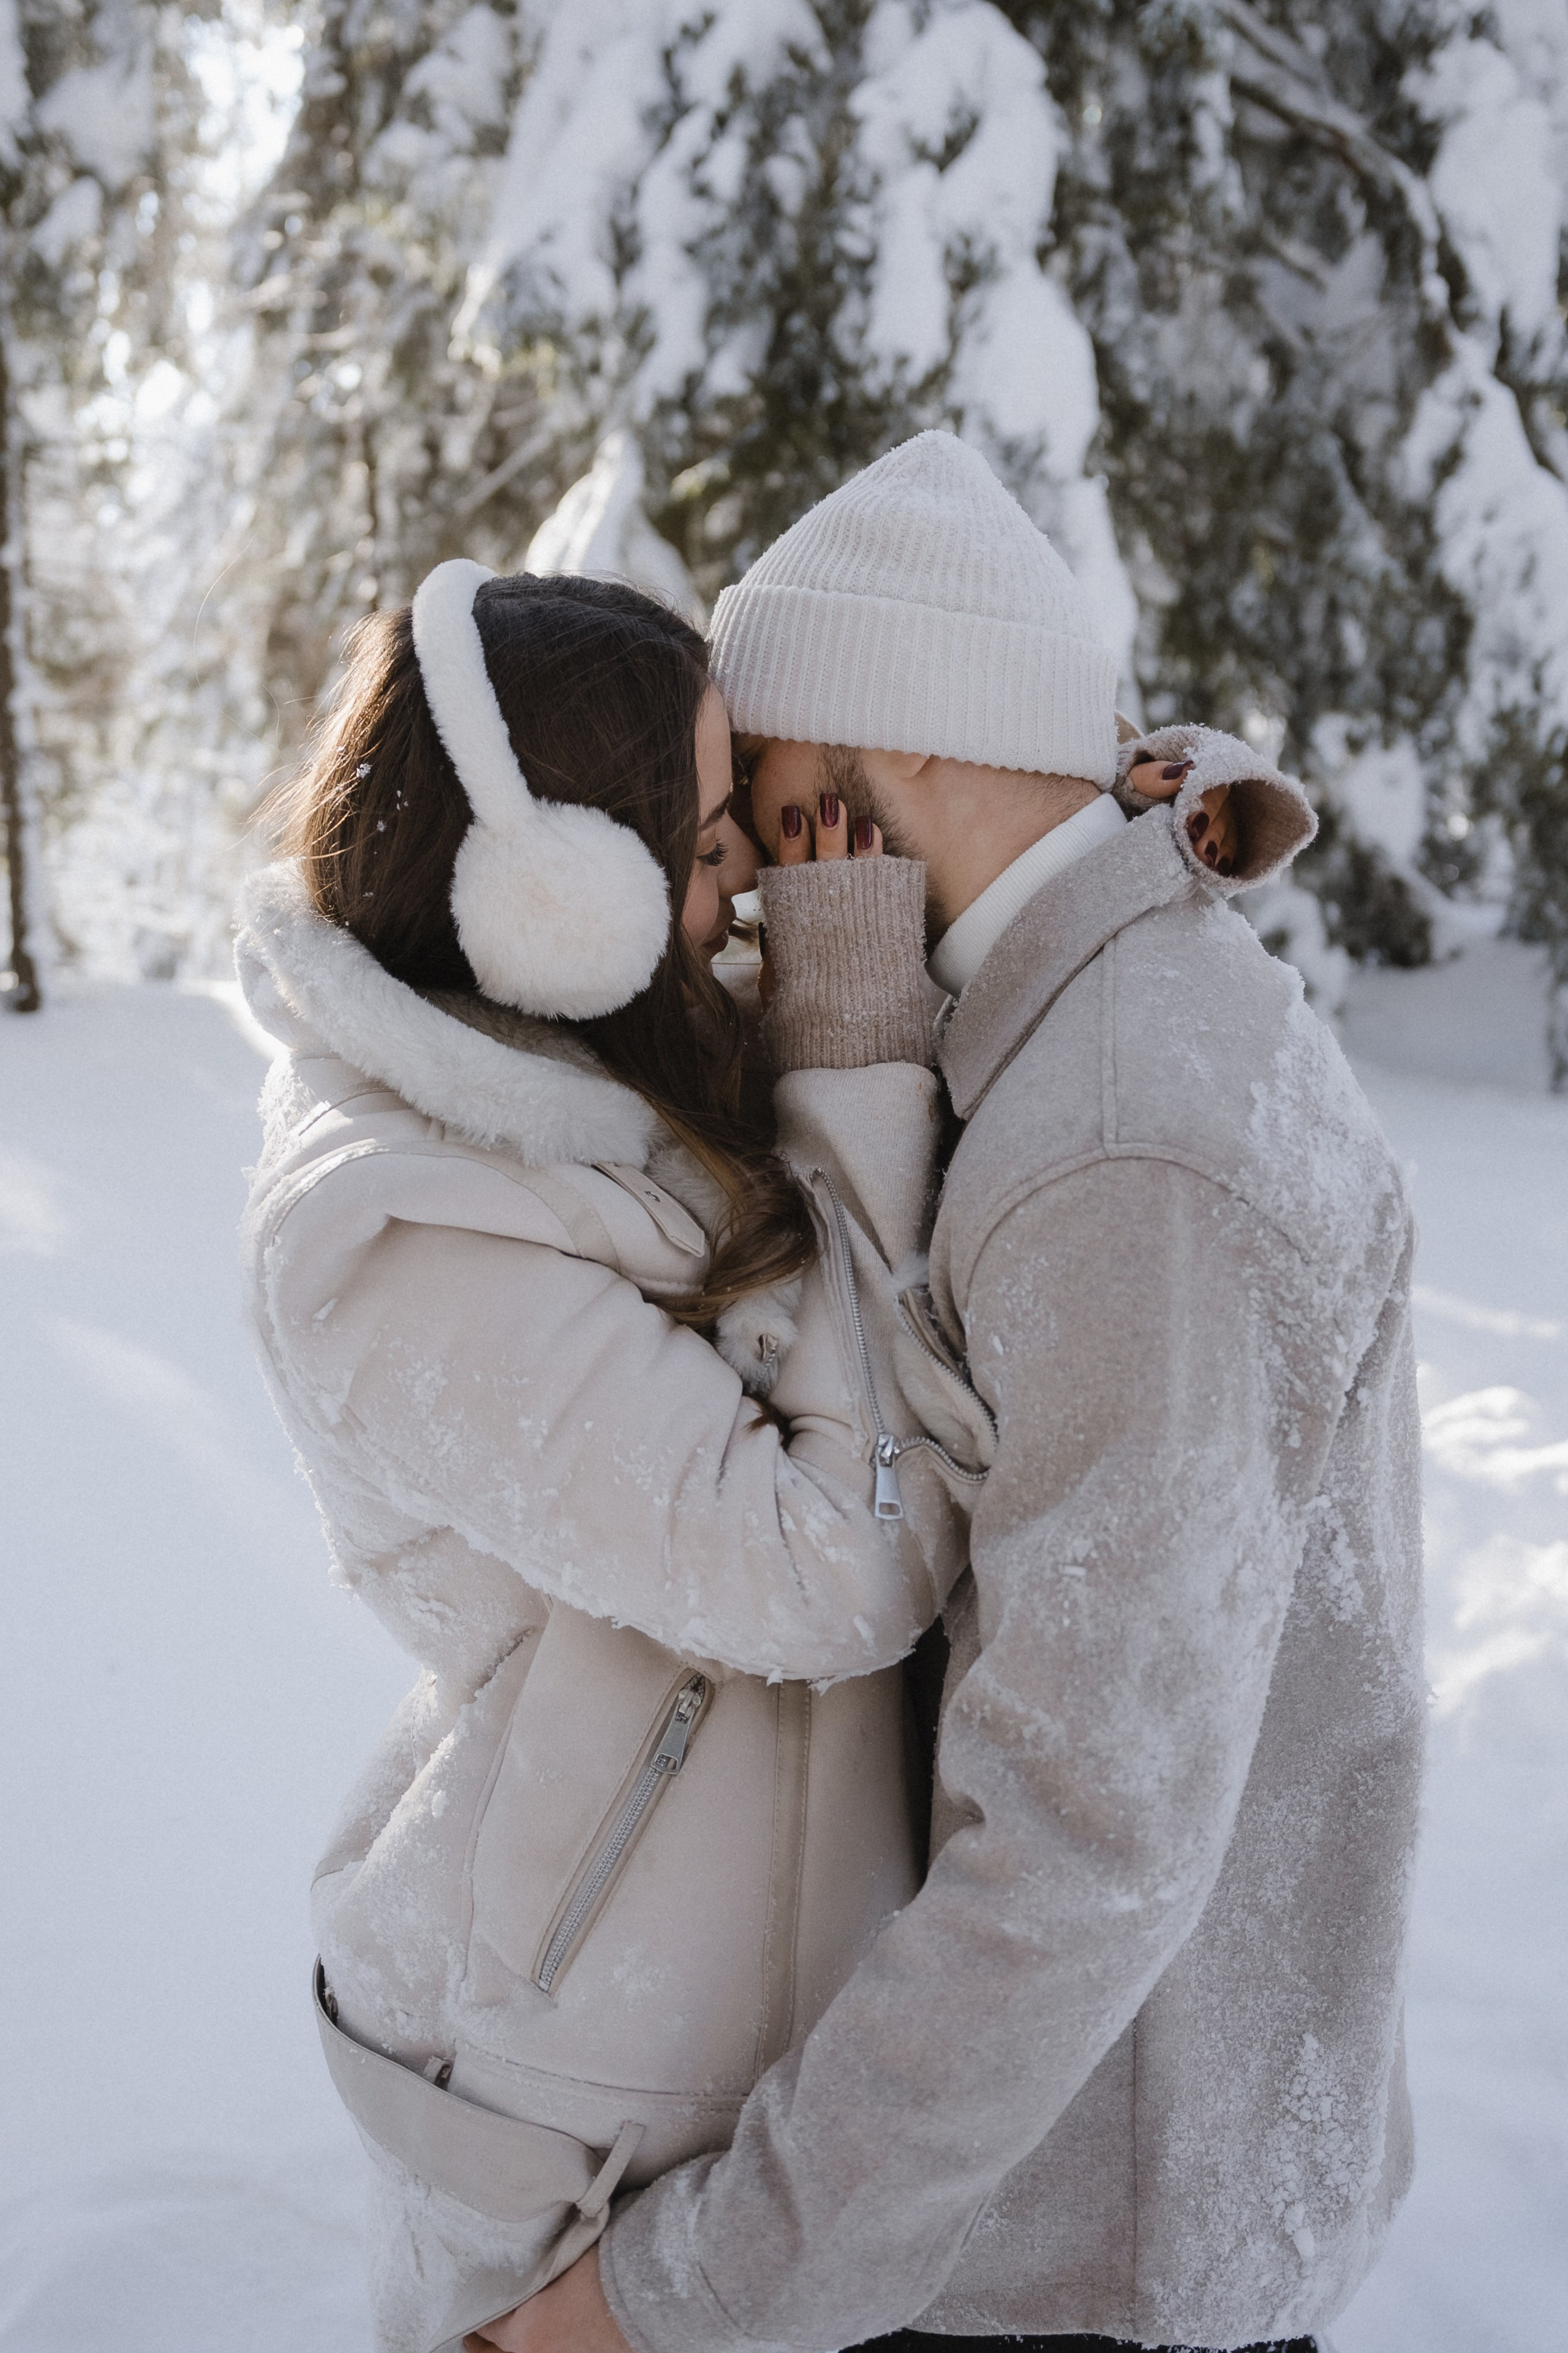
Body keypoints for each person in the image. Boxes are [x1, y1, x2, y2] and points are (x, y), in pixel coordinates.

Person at [496, 434, 1425, 2353]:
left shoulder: (1115, 1145)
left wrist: (672, 2298)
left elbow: (1079, 1851)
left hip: (1081, 2249)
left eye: (761, 809)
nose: (750, 897)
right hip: (1084, 2192)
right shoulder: (1103, 1029)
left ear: (874, 762)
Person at [235, 564, 996, 2353]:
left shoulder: (582, 1077)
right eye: (713, 841)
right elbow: (839, 1564)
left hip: (742, 2026)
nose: (746, 896)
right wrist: (851, 1059)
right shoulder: (400, 1241)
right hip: (587, 2093)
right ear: (556, 899)